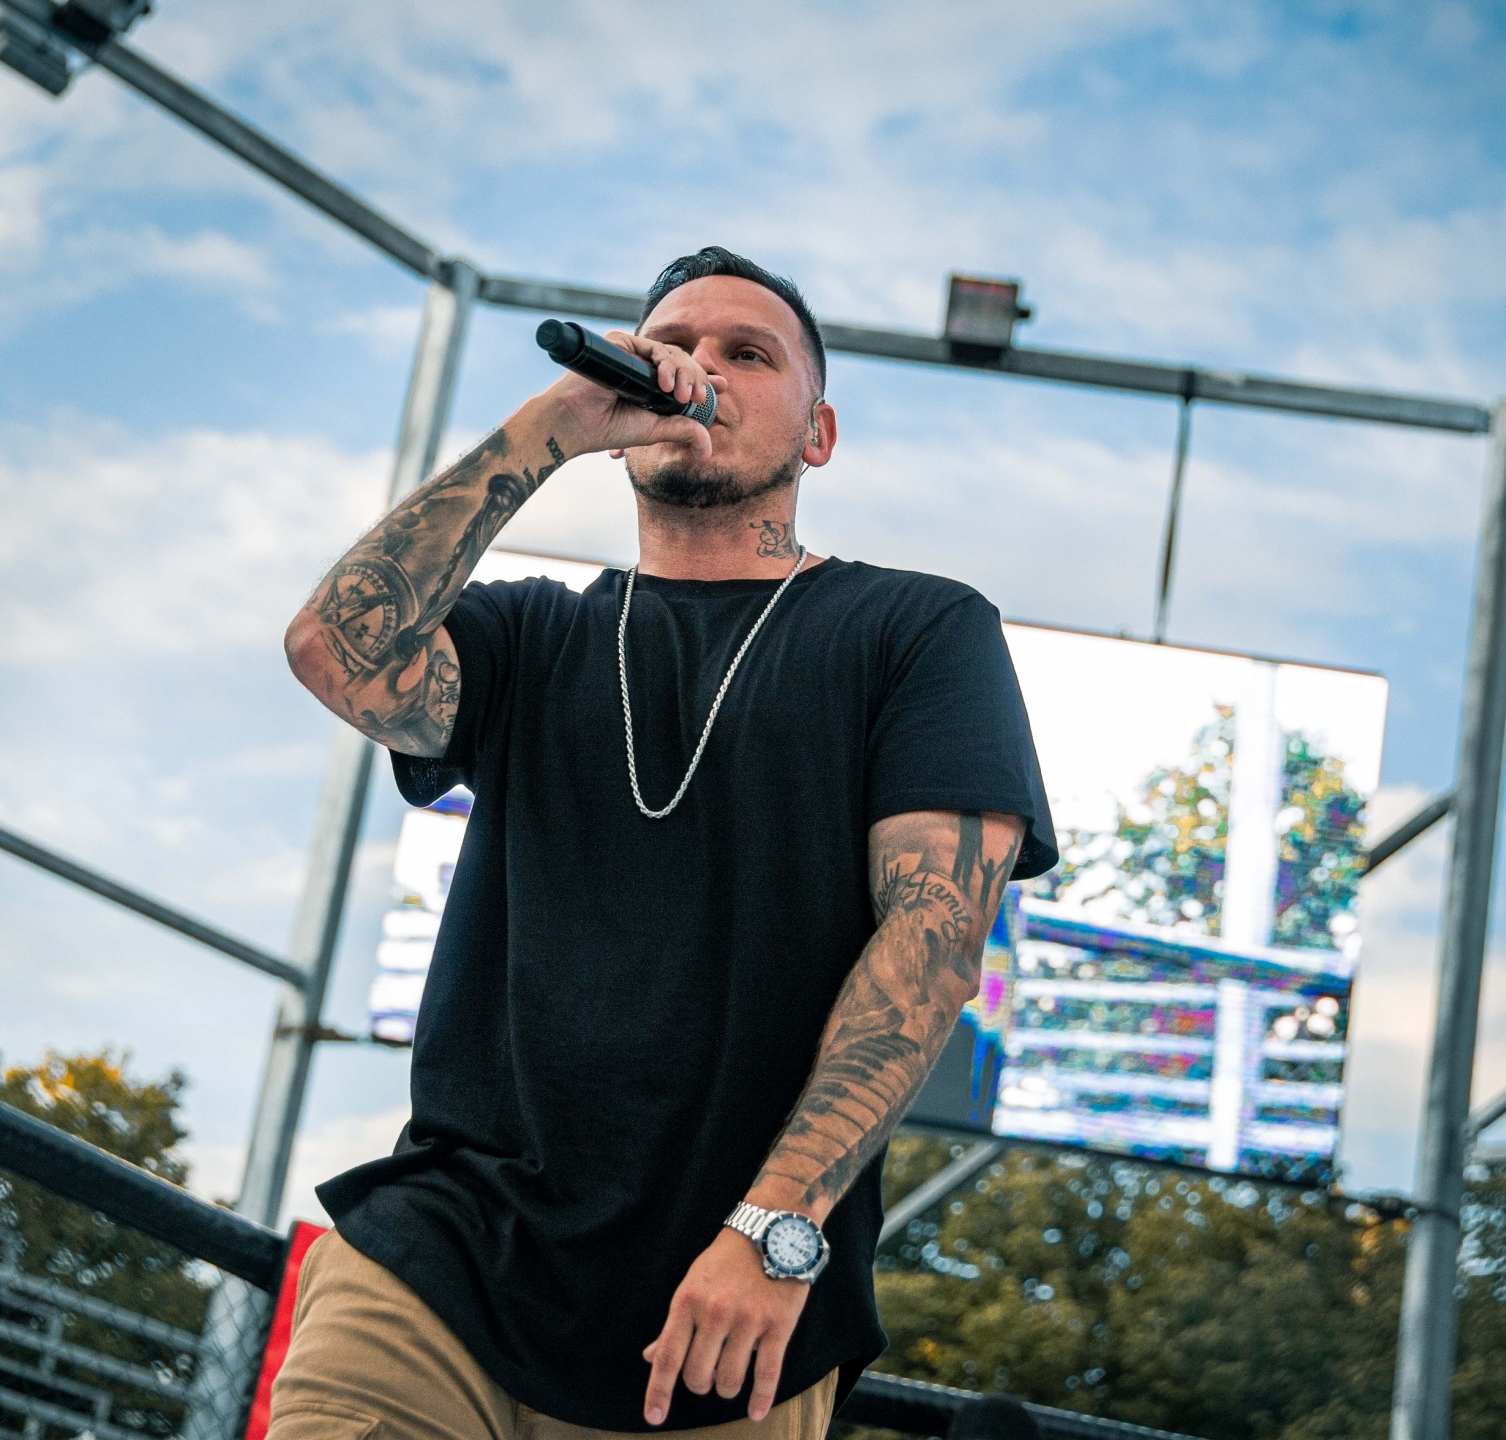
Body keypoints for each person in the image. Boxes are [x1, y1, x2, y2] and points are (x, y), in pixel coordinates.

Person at [277, 247, 1055, 1438]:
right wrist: (555, 423)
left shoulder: (914, 629)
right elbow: (336, 650)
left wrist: (775, 1228)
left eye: (749, 354)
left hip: (724, 1324)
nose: (701, 370)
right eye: (675, 346)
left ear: (819, 434)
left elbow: (934, 941)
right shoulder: (532, 634)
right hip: (445, 1259)